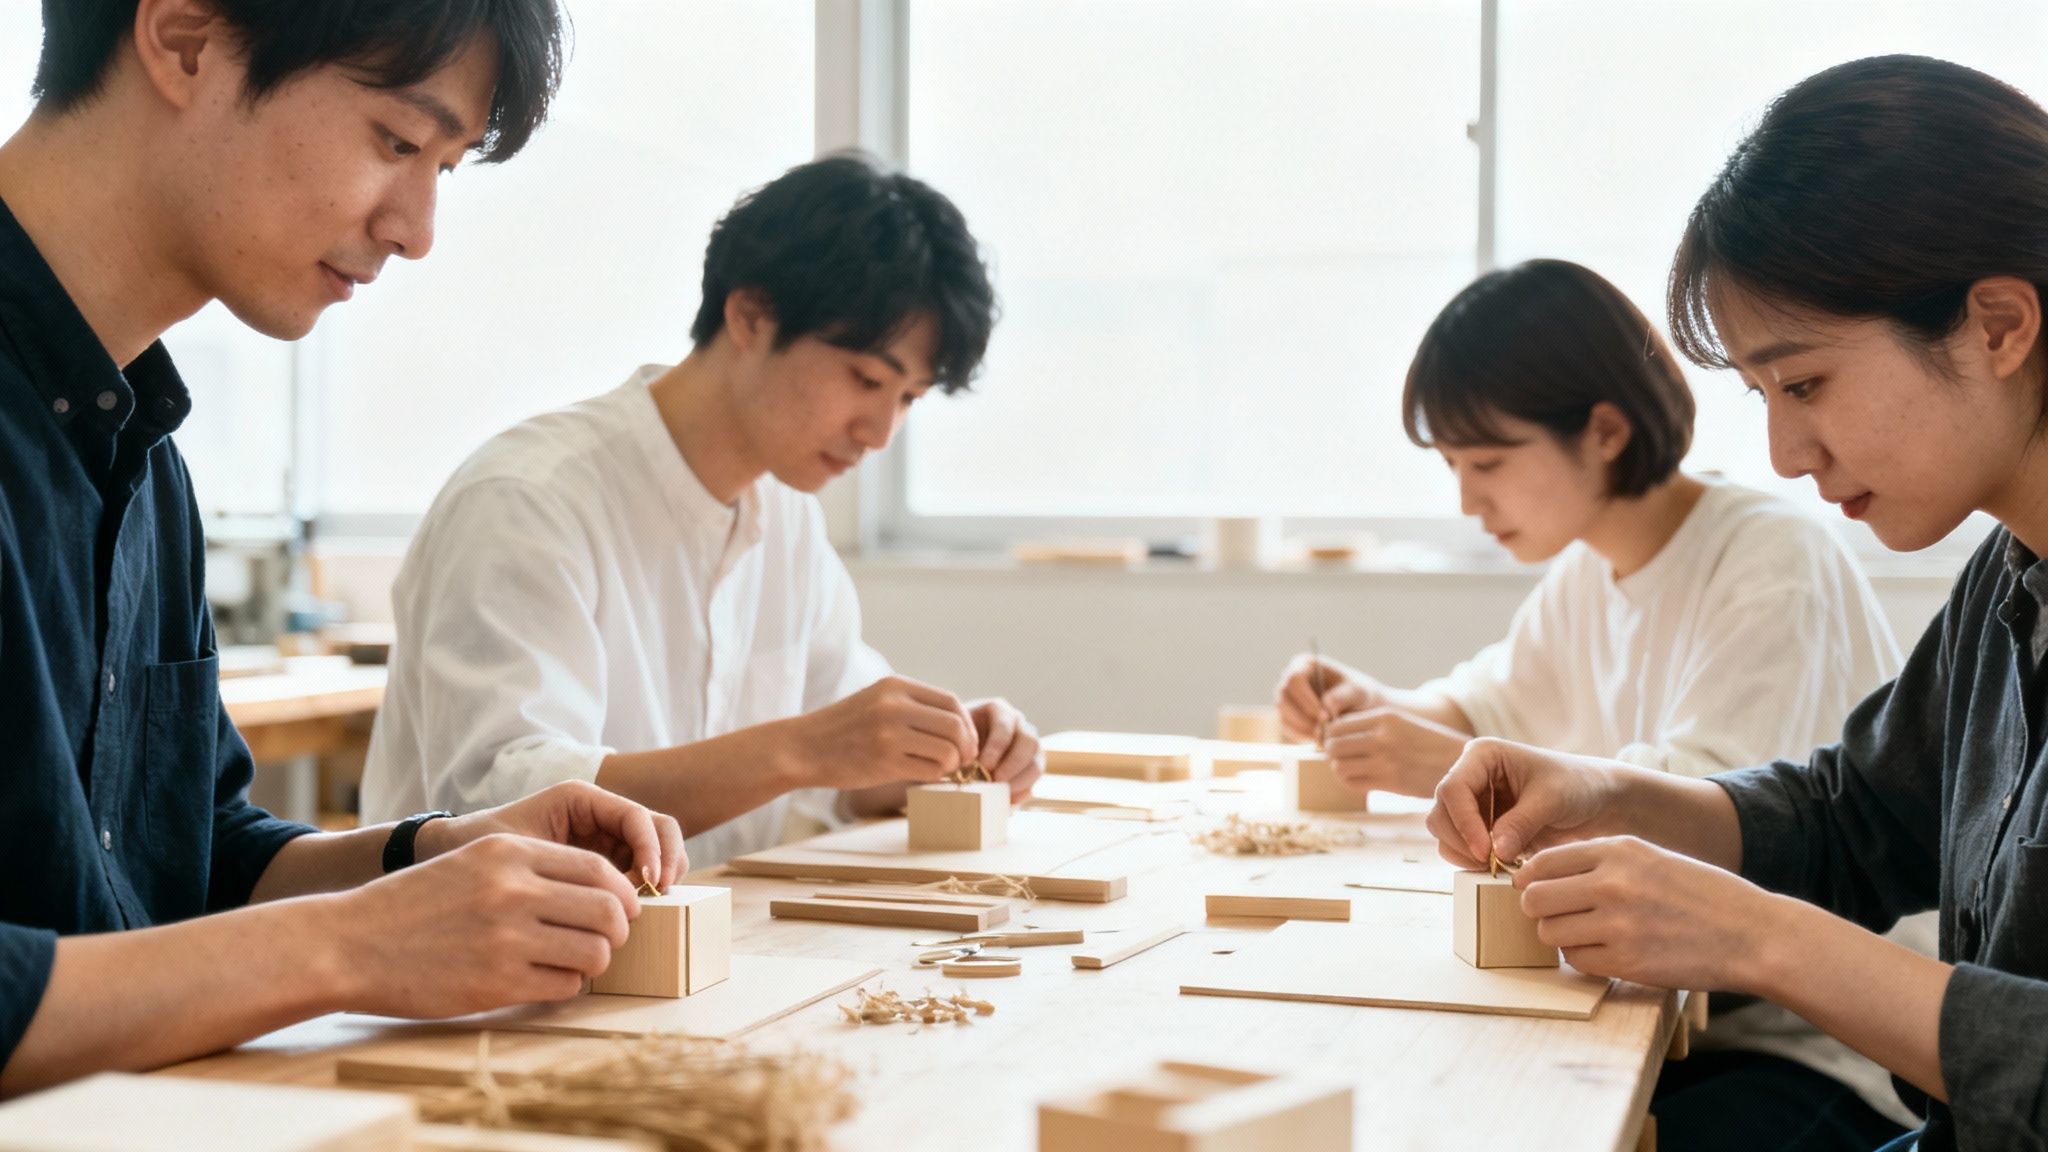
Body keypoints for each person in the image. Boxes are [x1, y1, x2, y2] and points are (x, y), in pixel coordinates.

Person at [0, 0, 688, 1096]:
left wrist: (429, 856)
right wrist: (348, 948)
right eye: (398, 140)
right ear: (184, 42)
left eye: (443, 169)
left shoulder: (139, 450)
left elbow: (191, 855)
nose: (416, 231)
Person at [1429, 54, 2048, 1151]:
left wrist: (1760, 940)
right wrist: (1609, 793)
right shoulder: (2008, 577)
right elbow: (1854, 816)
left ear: (1997, 325)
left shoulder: (1776, 552)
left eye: (1804, 383)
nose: (1784, 452)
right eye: (1761, 395)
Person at [1273, 259, 1918, 1145]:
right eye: (1452, 465)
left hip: (1815, 1044)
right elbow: (1492, 703)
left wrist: (1442, 759)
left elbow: (1718, 816)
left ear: (1606, 430)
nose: (1467, 500)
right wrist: (1374, 708)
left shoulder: (1771, 560)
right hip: (1672, 1011)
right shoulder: (1589, 568)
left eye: (1488, 462)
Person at [360, 153, 1043, 867]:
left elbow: (845, 767)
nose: (879, 434)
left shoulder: (785, 516)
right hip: (483, 937)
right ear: (750, 316)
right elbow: (498, 804)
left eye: (908, 399)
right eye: (866, 379)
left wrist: (947, 750)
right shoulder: (527, 500)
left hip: (704, 931)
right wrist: (801, 749)